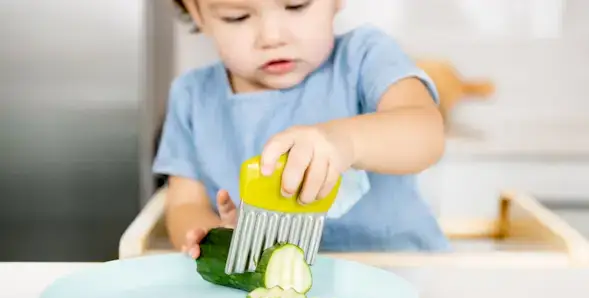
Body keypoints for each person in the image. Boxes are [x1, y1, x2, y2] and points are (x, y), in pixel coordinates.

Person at [153, 0, 450, 259]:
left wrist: (345, 142)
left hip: (404, 277)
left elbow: (425, 132)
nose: (272, 37)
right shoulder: (192, 96)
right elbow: (184, 204)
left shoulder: (365, 57)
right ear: (196, 11)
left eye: (297, 5)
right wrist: (218, 238)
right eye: (237, 16)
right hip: (275, 294)